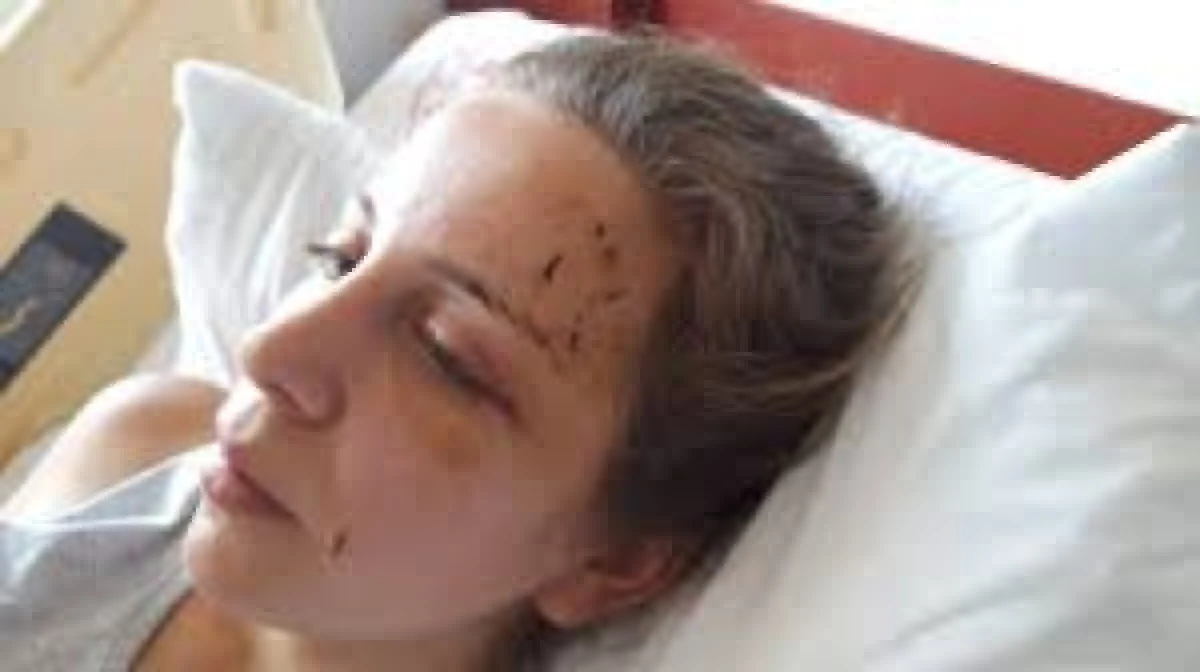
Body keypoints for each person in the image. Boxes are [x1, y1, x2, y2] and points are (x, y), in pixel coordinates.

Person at [0, 31, 914, 672]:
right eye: (341, 257)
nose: (270, 350)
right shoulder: (145, 445)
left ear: (610, 563)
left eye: (445, 353)